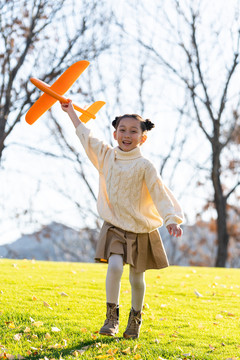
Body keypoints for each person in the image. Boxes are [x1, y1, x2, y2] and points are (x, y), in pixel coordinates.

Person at [61, 101, 184, 339]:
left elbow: (160, 192)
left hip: (141, 229)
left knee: (136, 279)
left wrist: (171, 219)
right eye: (122, 130)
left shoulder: (145, 166)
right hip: (115, 226)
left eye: (133, 131)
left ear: (142, 138)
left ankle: (135, 319)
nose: (127, 135)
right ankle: (111, 318)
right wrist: (71, 112)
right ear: (115, 133)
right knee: (115, 266)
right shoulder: (107, 156)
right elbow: (86, 137)